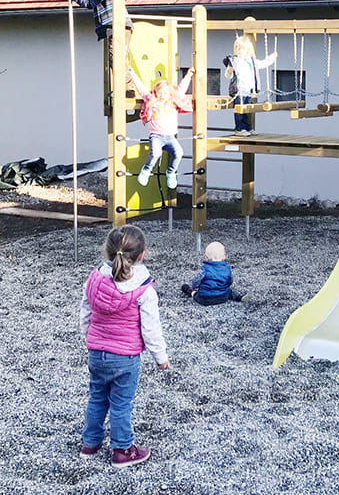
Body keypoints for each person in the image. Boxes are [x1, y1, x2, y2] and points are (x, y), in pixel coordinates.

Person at [79, 225, 169, 468]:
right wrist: (160, 357)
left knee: (97, 398)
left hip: (97, 353)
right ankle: (122, 449)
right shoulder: (144, 288)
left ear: (107, 252)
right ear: (141, 255)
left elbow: (85, 311)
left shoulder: (95, 278)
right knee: (121, 403)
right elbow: (151, 328)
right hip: (125, 357)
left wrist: (87, 336)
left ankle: (90, 442)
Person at [128, 66, 194, 188]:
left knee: (179, 153)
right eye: (160, 93)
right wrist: (132, 74)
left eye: (165, 93)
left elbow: (181, 89)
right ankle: (146, 170)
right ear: (156, 93)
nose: (162, 95)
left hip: (170, 137)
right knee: (156, 154)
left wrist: (189, 75)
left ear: (169, 94)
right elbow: (141, 88)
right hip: (156, 136)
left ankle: (171, 172)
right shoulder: (151, 101)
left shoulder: (173, 102)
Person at [222, 35, 277, 136]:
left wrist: (272, 58)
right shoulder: (234, 62)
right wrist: (230, 71)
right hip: (238, 91)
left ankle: (247, 127)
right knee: (239, 110)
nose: (238, 50)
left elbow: (263, 63)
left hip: (247, 91)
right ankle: (239, 128)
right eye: (237, 48)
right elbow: (227, 75)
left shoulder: (251, 61)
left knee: (246, 111)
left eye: (241, 48)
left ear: (247, 50)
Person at [181, 241, 244, 305]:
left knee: (196, 294)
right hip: (223, 297)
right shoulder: (227, 268)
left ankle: (190, 291)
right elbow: (230, 281)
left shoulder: (205, 269)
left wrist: (194, 286)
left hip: (205, 299)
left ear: (207, 258)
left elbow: (196, 281)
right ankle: (239, 298)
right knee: (229, 292)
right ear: (223, 257)